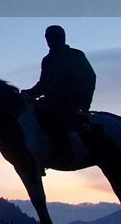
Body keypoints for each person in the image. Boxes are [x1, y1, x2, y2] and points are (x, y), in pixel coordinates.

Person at [22, 25, 96, 163]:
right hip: (52, 99)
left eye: (54, 37)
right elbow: (43, 84)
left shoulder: (76, 55)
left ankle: (65, 151)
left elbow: (90, 78)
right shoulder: (47, 60)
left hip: (72, 99)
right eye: (48, 38)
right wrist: (29, 94)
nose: (50, 40)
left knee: (55, 115)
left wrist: (85, 103)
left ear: (61, 38)